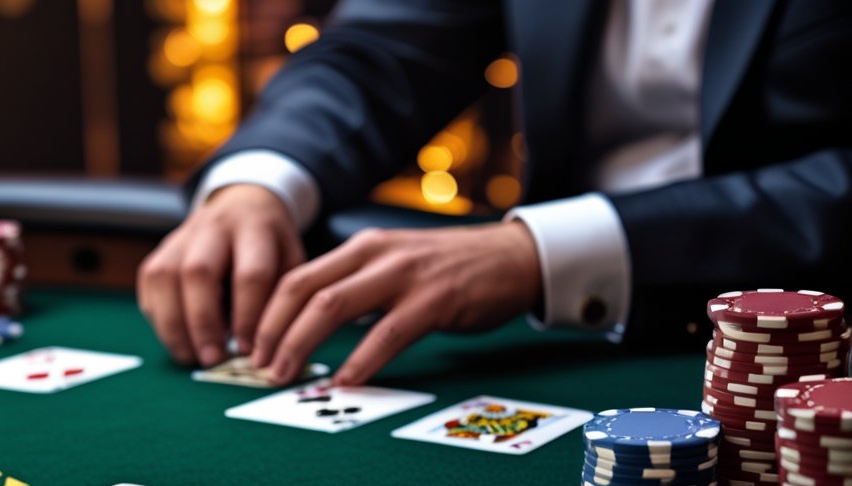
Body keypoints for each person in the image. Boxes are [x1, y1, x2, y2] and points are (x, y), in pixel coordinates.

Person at [136, 0, 852, 386]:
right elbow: (379, 50)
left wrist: (542, 253)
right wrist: (259, 181)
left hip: (817, 351)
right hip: (566, 346)